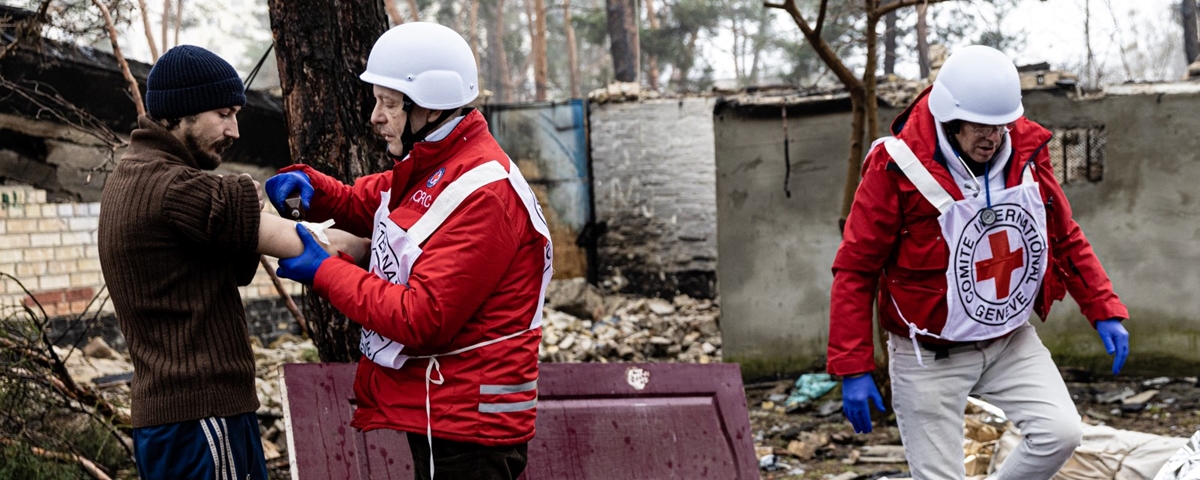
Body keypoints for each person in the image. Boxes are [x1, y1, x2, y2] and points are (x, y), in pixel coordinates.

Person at [827, 45, 1131, 480]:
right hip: (928, 352)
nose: (993, 137)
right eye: (981, 127)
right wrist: (852, 366)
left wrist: (1103, 308)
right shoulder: (895, 166)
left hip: (1009, 339)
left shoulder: (1026, 151)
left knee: (1060, 433)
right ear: (950, 117)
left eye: (1002, 126)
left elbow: (1062, 234)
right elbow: (856, 270)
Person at [265, 22, 553, 480]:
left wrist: (325, 270)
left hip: (469, 425)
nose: (375, 117)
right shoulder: (439, 164)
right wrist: (317, 191)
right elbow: (374, 201)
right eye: (377, 101)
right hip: (448, 406)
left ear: (431, 108)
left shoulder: (484, 193)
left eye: (390, 104)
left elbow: (423, 317)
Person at [98, 45, 366, 480]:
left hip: (174, 419)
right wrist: (386, 243)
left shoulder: (133, 175)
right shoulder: (174, 187)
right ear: (181, 113)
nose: (235, 130)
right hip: (202, 417)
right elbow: (308, 243)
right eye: (223, 113)